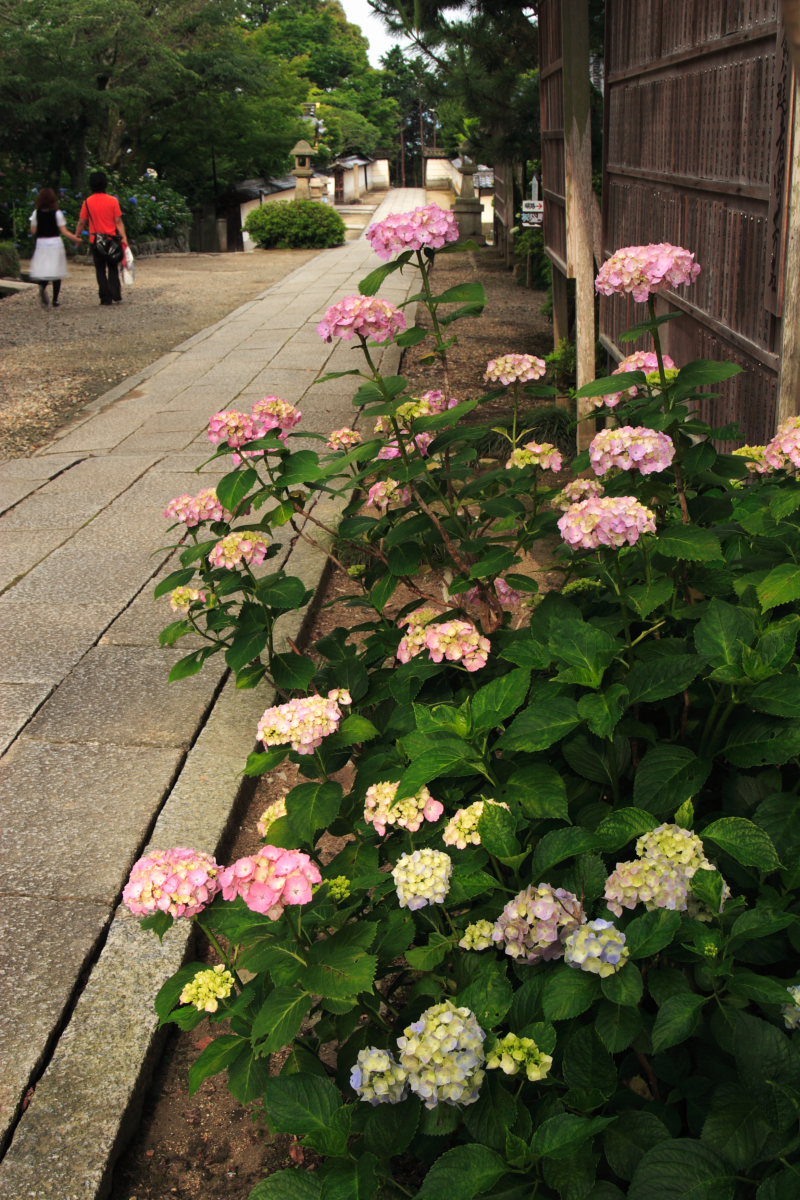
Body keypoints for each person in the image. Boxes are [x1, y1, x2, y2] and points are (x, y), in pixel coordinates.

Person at [74, 172, 129, 306]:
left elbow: (82, 222)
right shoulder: (113, 201)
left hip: (95, 241)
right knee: (112, 267)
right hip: (112, 240)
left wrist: (77, 236)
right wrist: (124, 238)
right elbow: (118, 221)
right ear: (105, 184)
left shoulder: (87, 202)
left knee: (100, 269)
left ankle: (105, 298)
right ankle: (116, 294)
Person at [29, 187, 81, 308]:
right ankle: (55, 300)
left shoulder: (36, 213)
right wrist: (76, 239)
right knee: (56, 271)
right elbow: (64, 231)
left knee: (45, 269)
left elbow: (33, 230)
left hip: (41, 243)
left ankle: (42, 287)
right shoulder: (57, 213)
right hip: (55, 243)